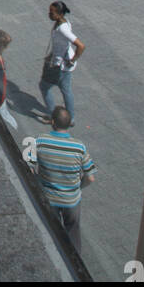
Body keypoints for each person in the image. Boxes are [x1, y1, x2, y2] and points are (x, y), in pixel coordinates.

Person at [31, 106, 95, 253]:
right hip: (71, 200)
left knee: (51, 231)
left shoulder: (40, 140)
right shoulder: (79, 147)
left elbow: (29, 166)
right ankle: (76, 260)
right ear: (68, 124)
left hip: (48, 197)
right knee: (73, 231)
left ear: (52, 122)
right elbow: (91, 178)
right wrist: (78, 187)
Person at [40, 0, 84, 126]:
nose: (49, 14)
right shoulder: (63, 22)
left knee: (44, 87)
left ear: (59, 14)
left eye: (52, 12)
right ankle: (71, 118)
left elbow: (81, 46)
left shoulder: (63, 29)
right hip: (63, 64)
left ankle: (52, 115)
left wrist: (72, 60)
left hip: (59, 66)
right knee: (66, 89)